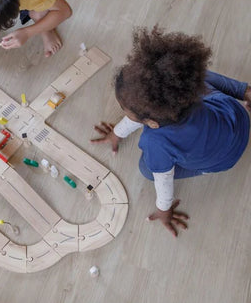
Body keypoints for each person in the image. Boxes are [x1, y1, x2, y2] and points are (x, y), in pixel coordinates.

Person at [91, 26, 251, 236]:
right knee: (198, 78)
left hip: (223, 161)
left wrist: (163, 211)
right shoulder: (187, 92)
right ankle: (245, 91)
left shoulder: (155, 142)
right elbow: (142, 117)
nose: (125, 114)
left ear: (152, 123)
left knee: (147, 169)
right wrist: (117, 133)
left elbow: (163, 182)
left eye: (126, 111)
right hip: (237, 118)